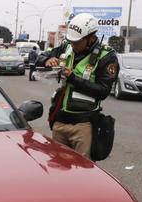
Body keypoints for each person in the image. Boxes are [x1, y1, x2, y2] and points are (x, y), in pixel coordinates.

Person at [35, 13, 119, 159]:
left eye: (77, 42)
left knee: (82, 172)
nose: (73, 45)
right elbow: (40, 57)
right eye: (71, 41)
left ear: (91, 38)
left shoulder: (106, 56)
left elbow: (103, 91)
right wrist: (47, 60)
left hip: (83, 125)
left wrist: (73, 78)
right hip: (60, 121)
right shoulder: (67, 46)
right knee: (56, 167)